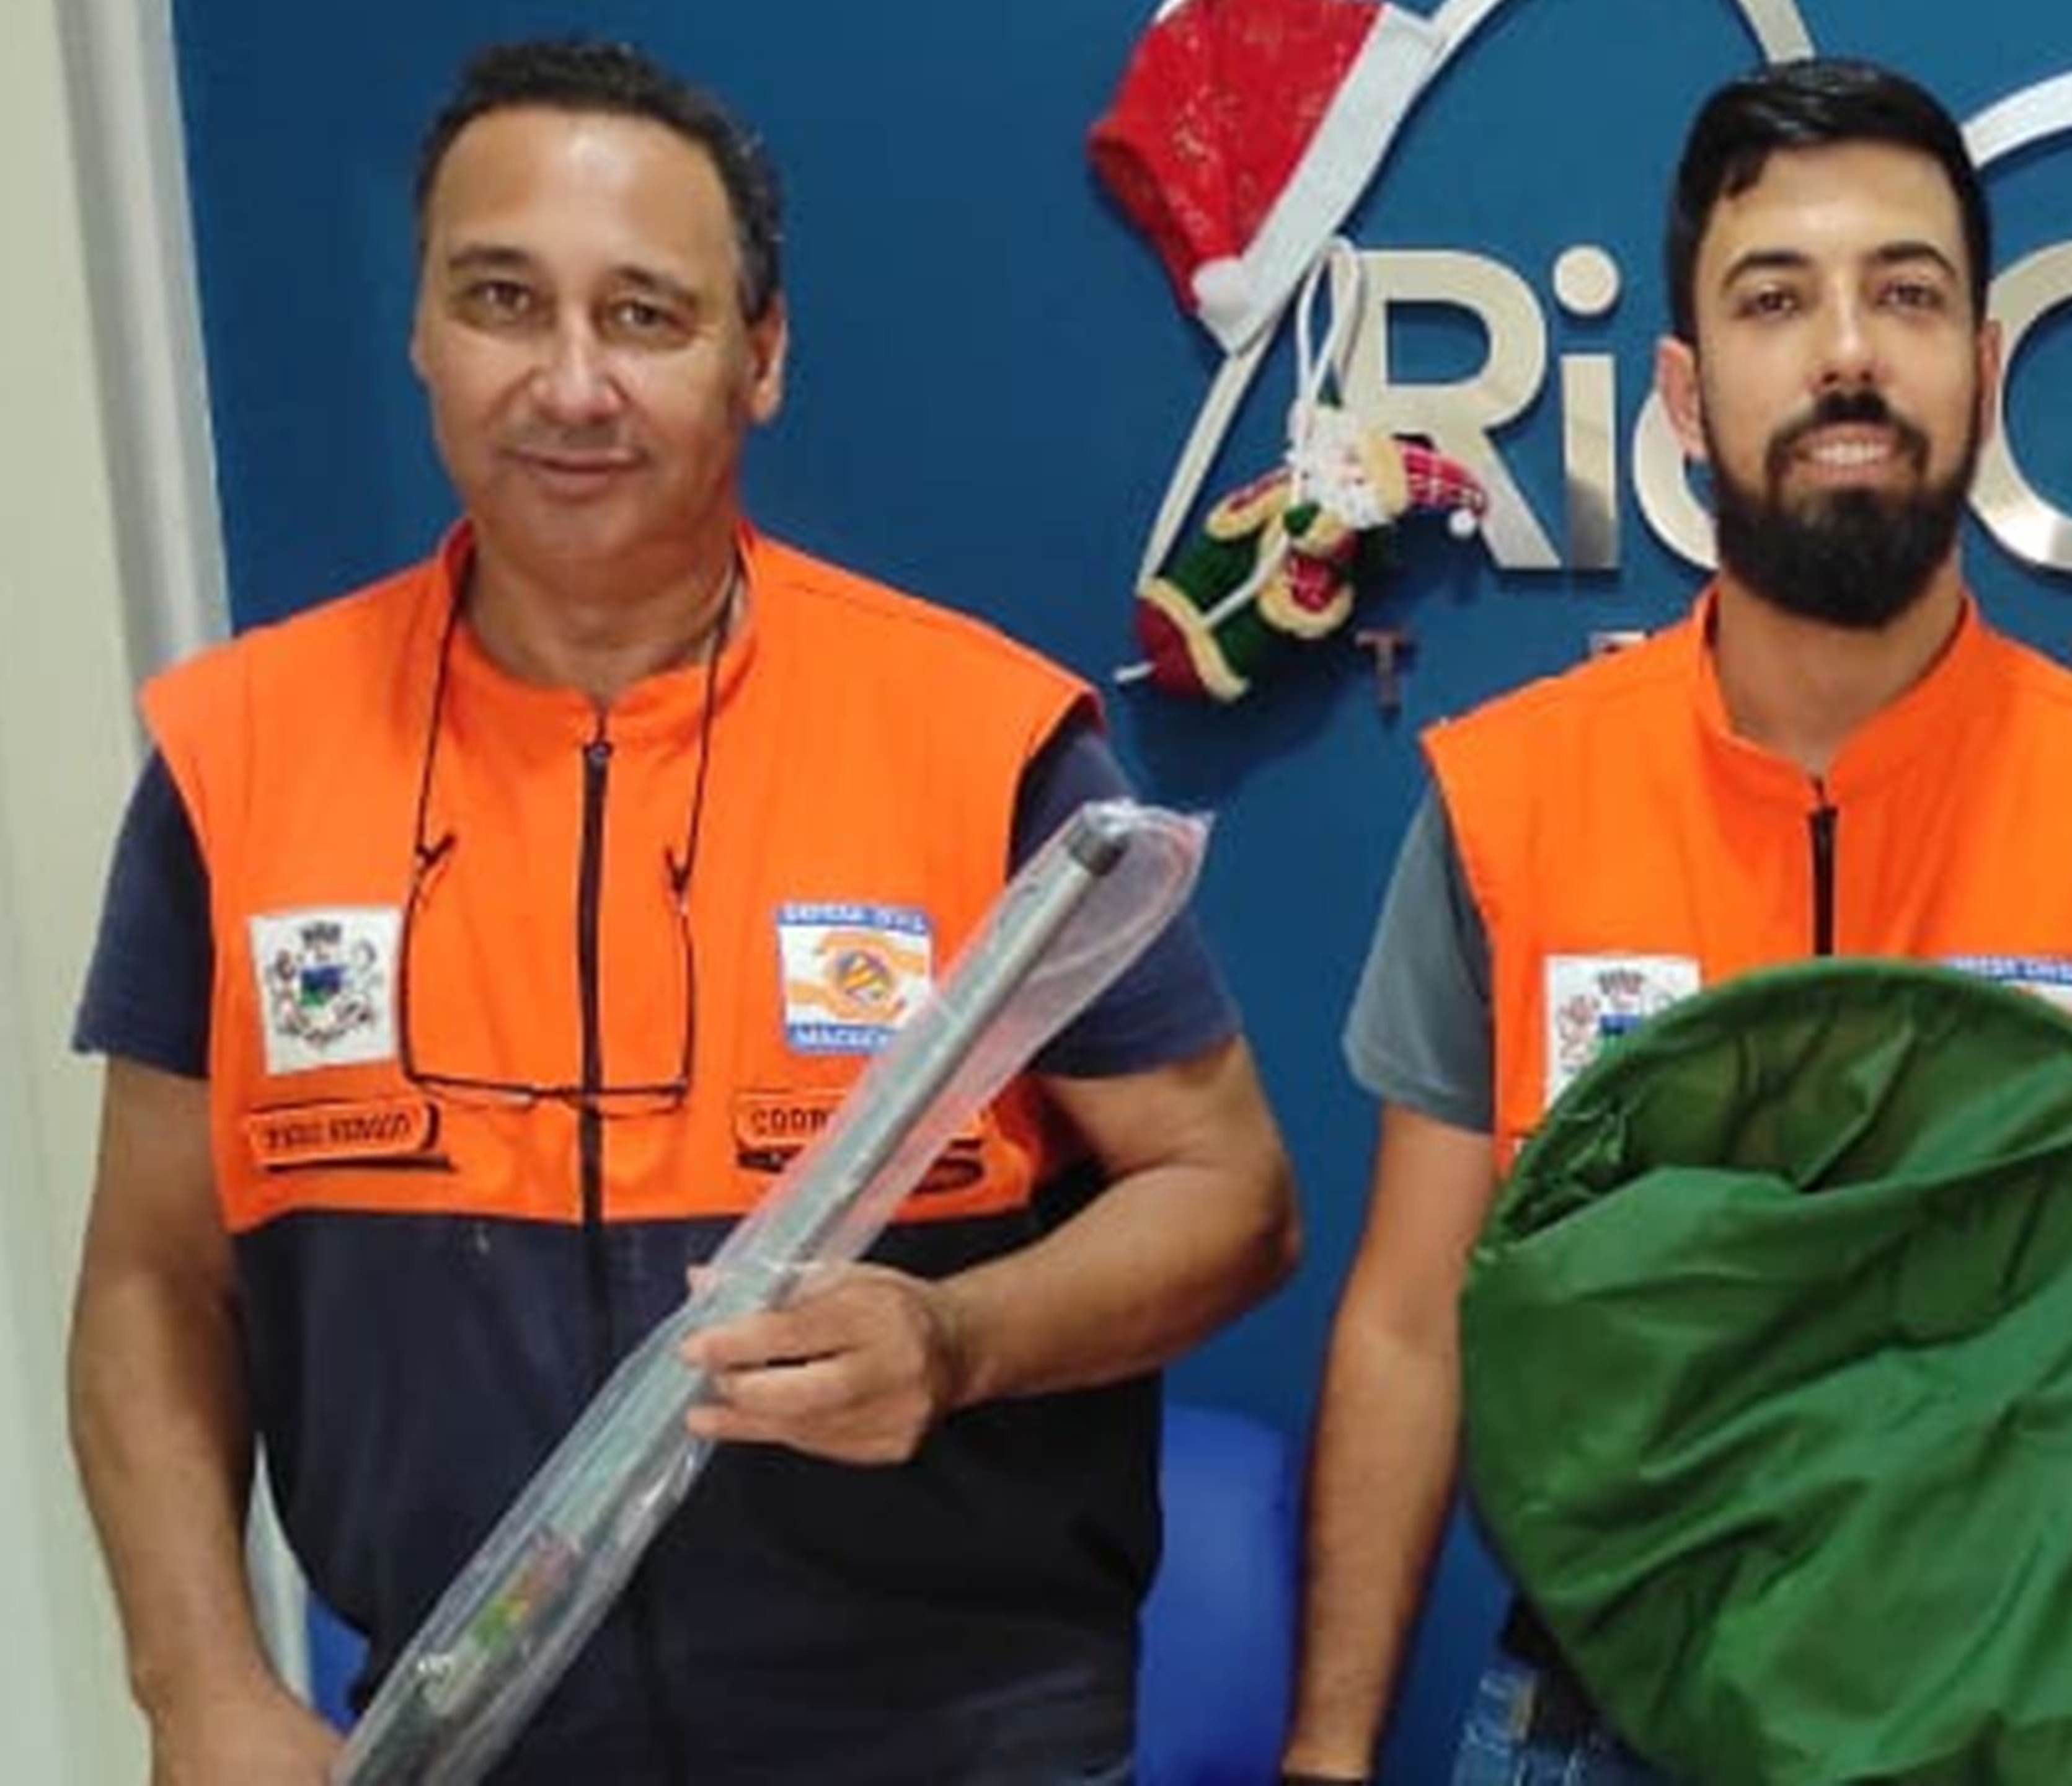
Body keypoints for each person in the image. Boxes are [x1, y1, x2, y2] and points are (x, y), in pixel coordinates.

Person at [66, 38, 1297, 1786]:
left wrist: (957, 1340)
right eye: (504, 300)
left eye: (645, 315)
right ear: (422, 331)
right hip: (459, 1743)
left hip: (956, 1744)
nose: (572, 384)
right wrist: (194, 1683)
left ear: (760, 357)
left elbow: (1232, 1197)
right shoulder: (237, 757)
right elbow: (151, 1280)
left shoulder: (980, 740)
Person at [1280, 57, 2072, 1786]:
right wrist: (1327, 1754)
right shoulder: (1510, 801)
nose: (1846, 352)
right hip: (1596, 1723)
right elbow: (1410, 1322)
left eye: (1908, 294)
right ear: (1682, 391)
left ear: (1986, 371)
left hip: (2037, 1727)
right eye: (1774, 299)